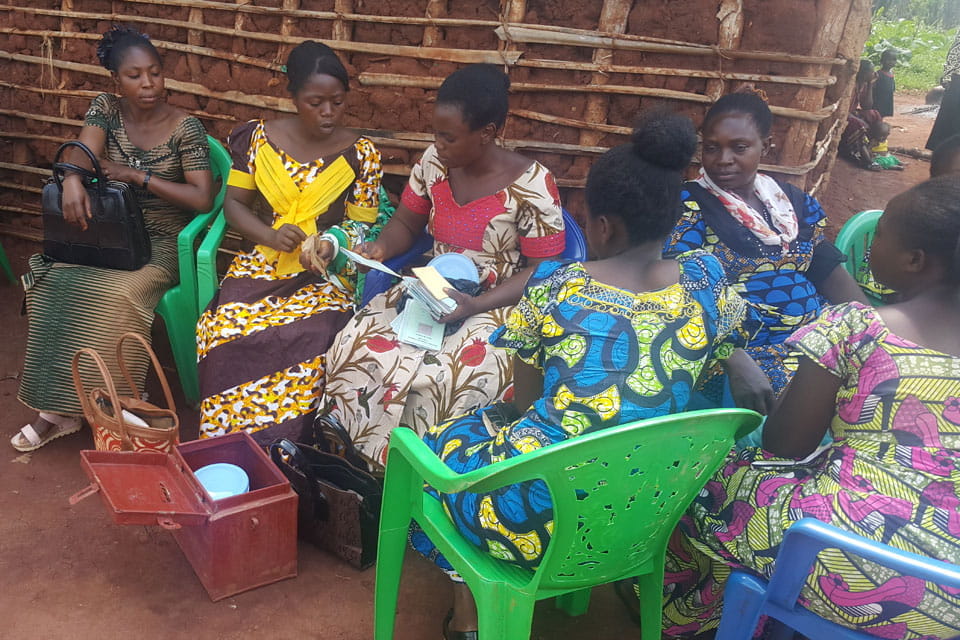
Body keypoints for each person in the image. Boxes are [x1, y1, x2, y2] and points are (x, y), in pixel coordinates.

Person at [411, 113, 758, 640]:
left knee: (437, 450)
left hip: (536, 522)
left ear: (601, 227)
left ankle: (468, 617)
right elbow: (716, 364)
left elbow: (526, 404)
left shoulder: (557, 286)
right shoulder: (707, 279)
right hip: (646, 512)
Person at [662, 176, 960, 639]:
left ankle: (683, 618)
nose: (871, 244)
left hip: (862, 565)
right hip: (953, 598)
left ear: (915, 260)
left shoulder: (859, 328)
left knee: (706, 480)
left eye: (881, 234)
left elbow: (784, 445)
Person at [320, 64, 565, 467]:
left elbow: (545, 269)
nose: (438, 144)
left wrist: (473, 306)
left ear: (486, 133)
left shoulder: (532, 184)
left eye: (448, 136)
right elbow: (404, 223)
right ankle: (354, 463)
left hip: (496, 304)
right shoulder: (434, 163)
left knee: (440, 380)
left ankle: (420, 476)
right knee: (355, 346)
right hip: (429, 288)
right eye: (436, 133)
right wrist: (380, 248)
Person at [12, 25, 213, 452]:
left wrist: (135, 174)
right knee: (57, 282)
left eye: (155, 73)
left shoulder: (186, 128)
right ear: (116, 81)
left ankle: (113, 407)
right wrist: (70, 179)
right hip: (110, 234)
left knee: (119, 294)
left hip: (163, 240)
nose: (148, 85)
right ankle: (57, 410)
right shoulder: (106, 108)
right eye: (135, 76)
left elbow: (201, 198)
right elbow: (83, 154)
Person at [196, 41, 383, 444]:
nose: (328, 112)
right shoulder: (258, 140)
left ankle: (289, 452)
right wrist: (270, 236)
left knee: (316, 335)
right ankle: (228, 446)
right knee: (225, 326)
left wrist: (332, 244)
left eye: (337, 101)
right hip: (261, 263)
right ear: (293, 97)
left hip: (323, 274)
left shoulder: (362, 154)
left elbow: (362, 227)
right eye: (316, 102)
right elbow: (234, 206)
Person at [663, 89, 866, 406]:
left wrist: (874, 331)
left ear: (766, 147)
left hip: (814, 342)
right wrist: (732, 355)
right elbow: (680, 291)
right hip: (743, 355)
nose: (723, 159)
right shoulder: (690, 206)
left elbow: (827, 270)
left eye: (739, 147)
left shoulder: (791, 203)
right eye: (712, 148)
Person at [925, 30, 960, 151]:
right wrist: (947, 77)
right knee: (950, 114)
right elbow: (954, 53)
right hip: (957, 79)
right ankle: (941, 147)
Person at [873, 49, 898, 118]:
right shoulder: (878, 75)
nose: (891, 62)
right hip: (878, 103)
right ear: (882, 61)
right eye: (888, 60)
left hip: (887, 101)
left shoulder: (891, 74)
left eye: (894, 59)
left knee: (882, 117)